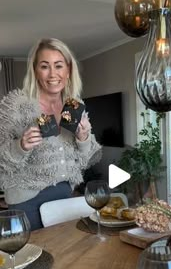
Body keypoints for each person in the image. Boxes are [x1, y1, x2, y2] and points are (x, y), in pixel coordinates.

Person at [0, 38, 102, 230]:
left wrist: (83, 139)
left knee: (66, 256)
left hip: (64, 196)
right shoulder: (15, 106)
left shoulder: (73, 105)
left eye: (59, 65)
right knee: (35, 257)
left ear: (68, 70)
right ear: (35, 71)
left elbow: (85, 161)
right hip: (27, 201)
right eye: (45, 66)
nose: (53, 74)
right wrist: (21, 146)